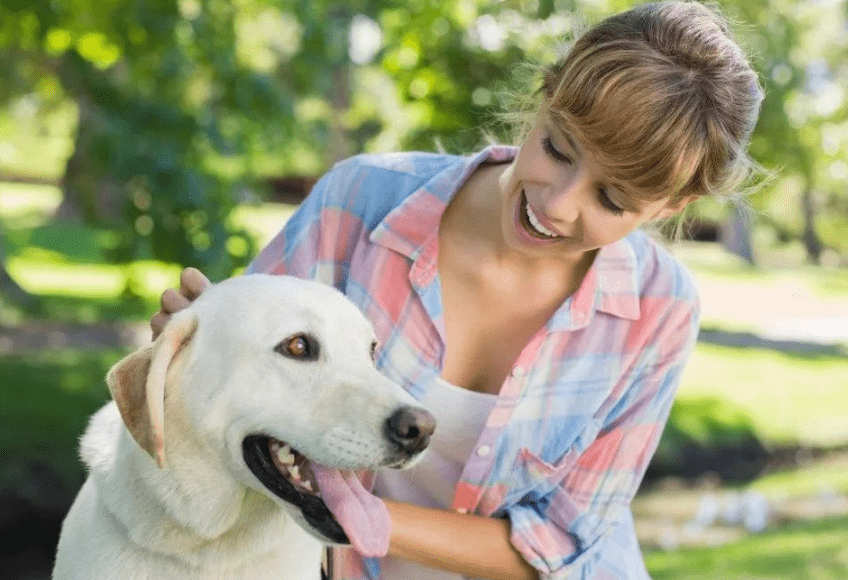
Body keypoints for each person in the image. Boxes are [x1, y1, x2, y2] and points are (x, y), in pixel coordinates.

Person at [152, 1, 763, 578]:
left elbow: (557, 541)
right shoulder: (358, 204)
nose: (558, 203)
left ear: (673, 205)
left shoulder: (661, 310)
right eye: (557, 149)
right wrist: (193, 355)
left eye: (611, 199)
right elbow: (239, 399)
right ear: (547, 95)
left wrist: (357, 518)